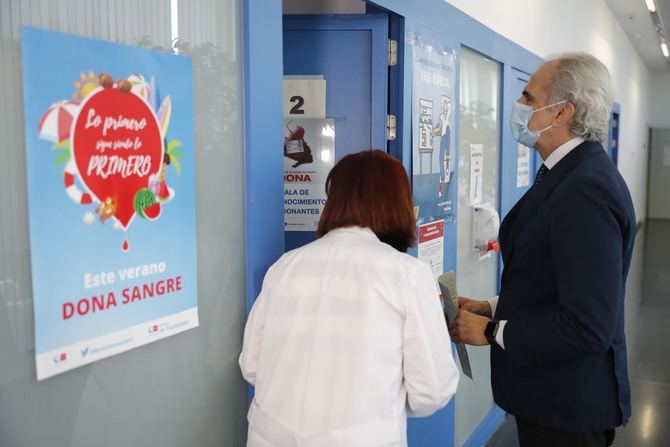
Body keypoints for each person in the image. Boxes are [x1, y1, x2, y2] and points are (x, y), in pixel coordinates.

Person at [449, 52, 635, 447]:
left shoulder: (585, 188)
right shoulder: (566, 174)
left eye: (529, 98)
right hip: (551, 398)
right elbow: (555, 280)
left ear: (562, 112)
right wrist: (494, 305)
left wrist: (491, 331)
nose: (519, 107)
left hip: (568, 406)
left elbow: (588, 325)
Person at [240, 150, 459, 447]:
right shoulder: (407, 275)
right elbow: (432, 390)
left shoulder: (285, 266)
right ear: (397, 201)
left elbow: (251, 365)